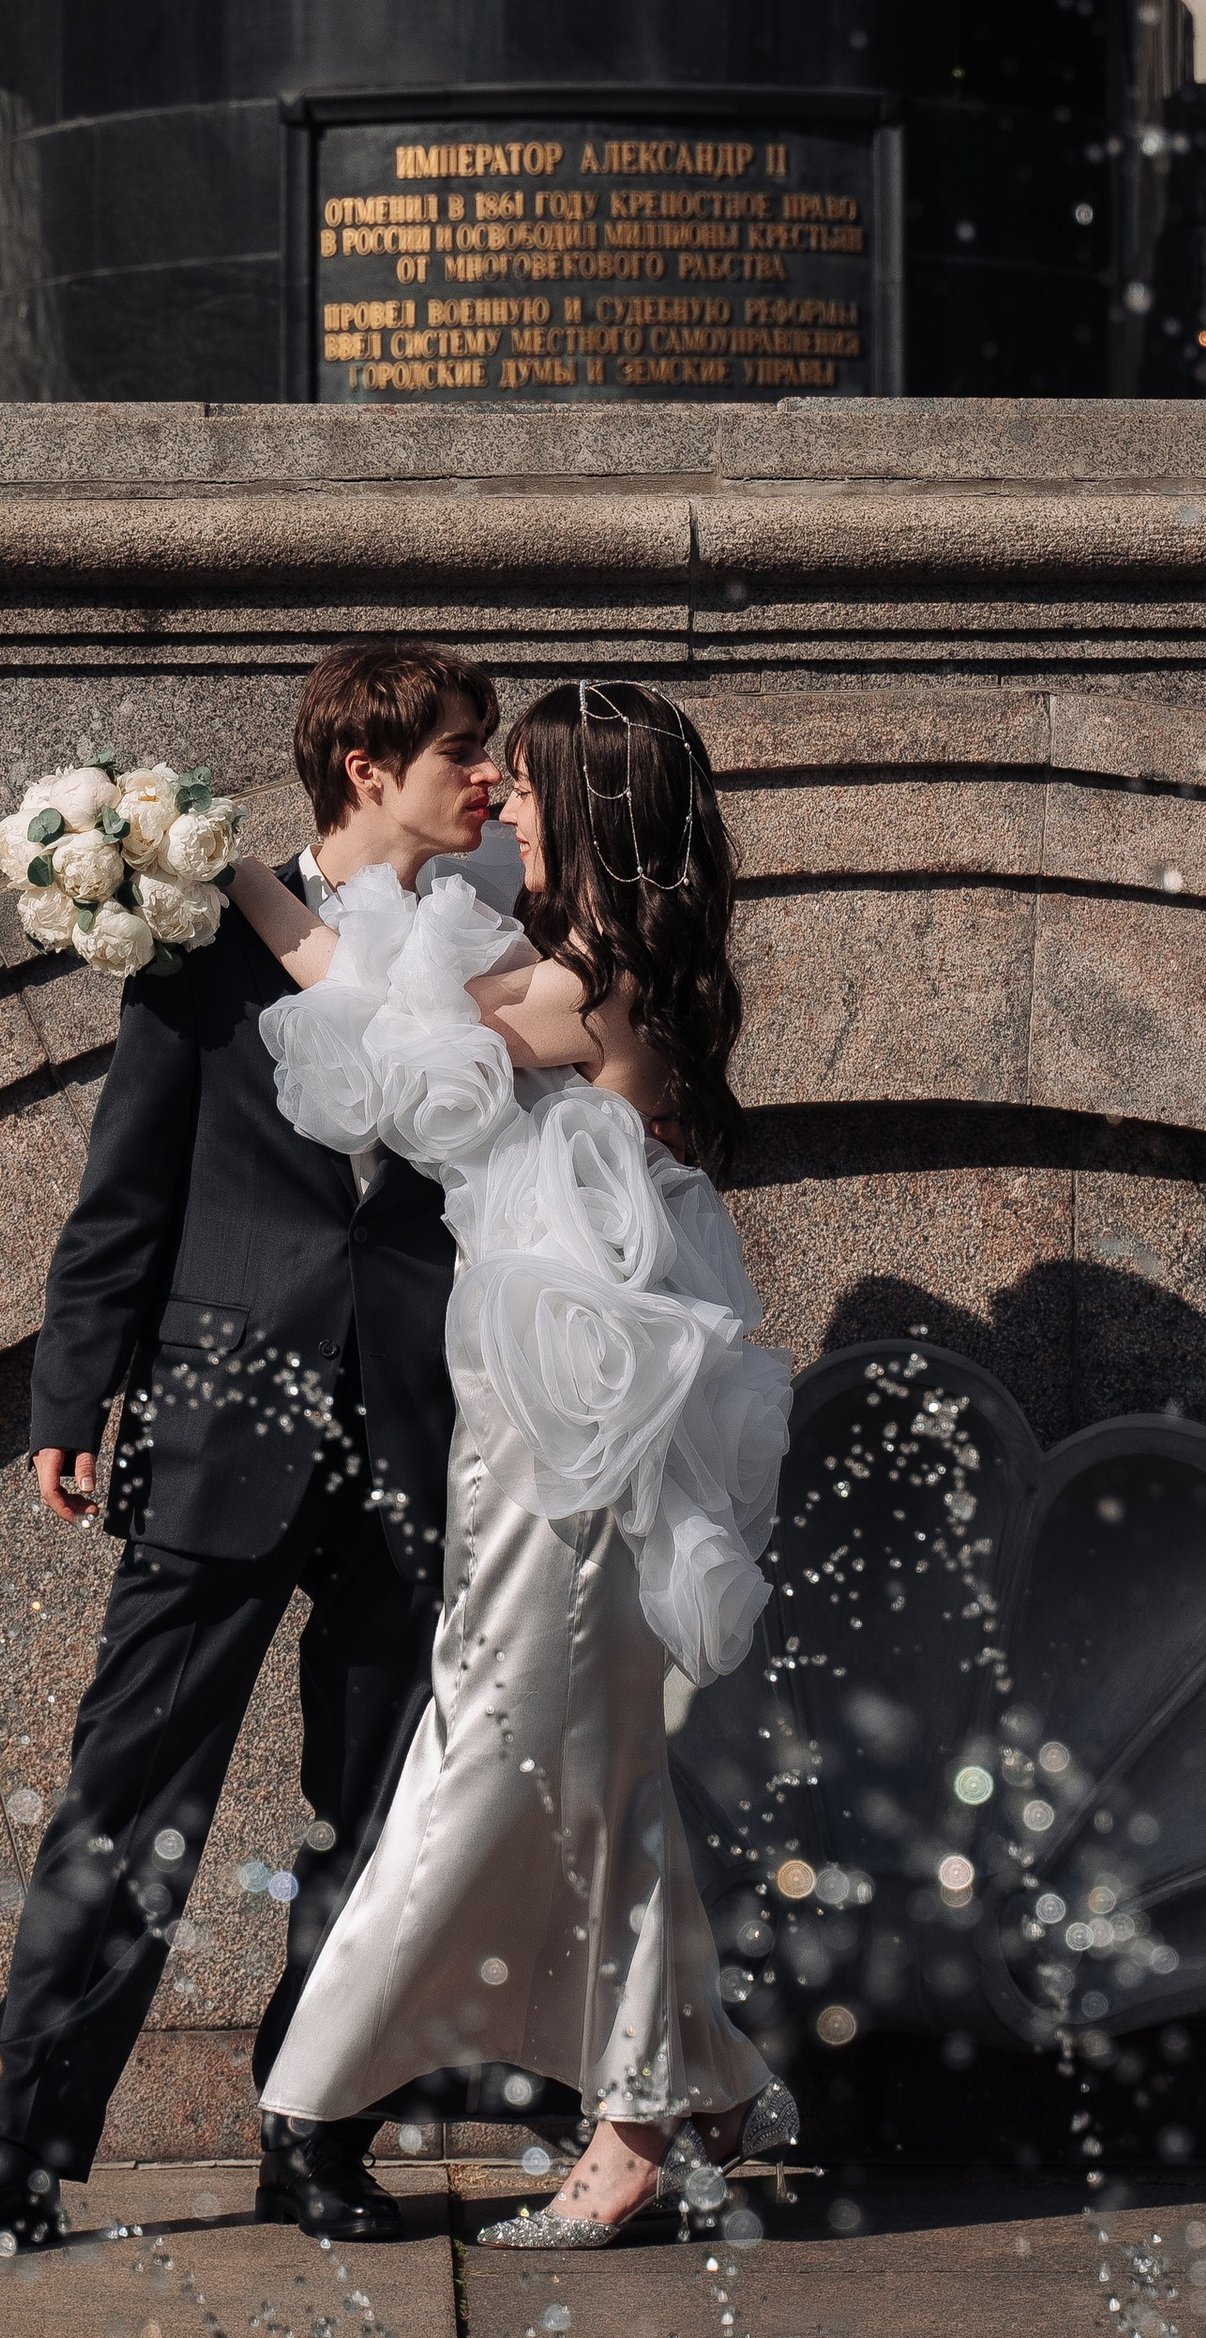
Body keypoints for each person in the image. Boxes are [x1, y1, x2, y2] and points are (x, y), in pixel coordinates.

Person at [0, 640, 507, 2265]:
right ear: (369, 768)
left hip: (417, 1429)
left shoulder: (493, 945)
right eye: (465, 748)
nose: (492, 775)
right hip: (224, 1415)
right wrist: (69, 1398)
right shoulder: (200, 945)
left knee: (372, 1817)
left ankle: (318, 2136)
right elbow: (127, 1195)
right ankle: (8, 2156)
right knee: (125, 1795)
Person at [229, 681, 798, 2247]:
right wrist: (254, 878)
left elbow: (375, 1028)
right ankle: (685, 2084)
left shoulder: (589, 987)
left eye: (532, 782)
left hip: (573, 1425)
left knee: (504, 1730)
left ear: (592, 803)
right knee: (587, 1751)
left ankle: (344, 2083)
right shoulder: (600, 963)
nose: (508, 800)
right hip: (555, 1397)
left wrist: (245, 884)